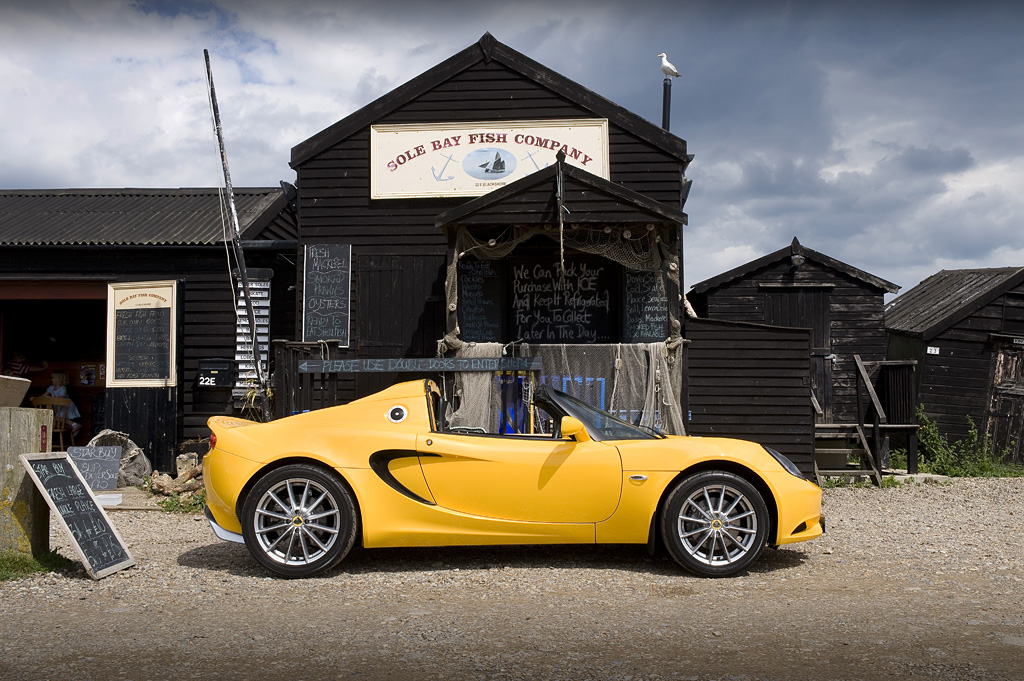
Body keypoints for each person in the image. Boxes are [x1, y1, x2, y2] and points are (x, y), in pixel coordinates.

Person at [44, 370, 82, 438]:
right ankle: (74, 427)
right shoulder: (51, 388)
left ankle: (75, 425)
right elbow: (44, 396)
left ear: (58, 379)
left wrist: (49, 398)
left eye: (53, 378)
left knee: (58, 418)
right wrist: (36, 398)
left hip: (65, 407)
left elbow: (60, 399)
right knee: (59, 419)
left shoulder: (62, 388)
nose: (51, 379)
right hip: (58, 407)